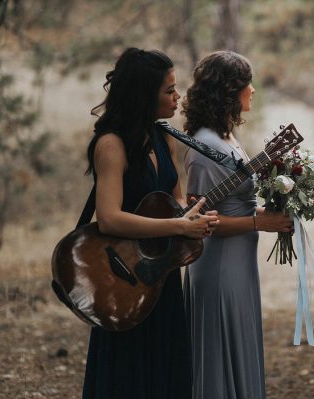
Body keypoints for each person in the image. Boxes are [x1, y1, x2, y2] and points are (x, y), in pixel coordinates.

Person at [82, 47, 219, 399]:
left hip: (162, 274)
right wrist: (178, 227)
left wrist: (193, 218)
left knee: (168, 375)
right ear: (145, 95)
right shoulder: (111, 145)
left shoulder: (164, 137)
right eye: (169, 90)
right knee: (127, 378)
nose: (178, 97)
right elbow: (110, 218)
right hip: (123, 277)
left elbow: (174, 205)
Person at [181, 50, 293, 399]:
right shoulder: (205, 146)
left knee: (240, 344)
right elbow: (201, 222)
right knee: (220, 353)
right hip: (217, 268)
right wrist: (260, 221)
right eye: (248, 83)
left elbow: (233, 197)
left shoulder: (226, 138)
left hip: (238, 264)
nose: (254, 91)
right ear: (229, 91)